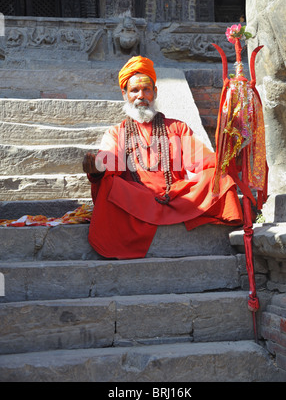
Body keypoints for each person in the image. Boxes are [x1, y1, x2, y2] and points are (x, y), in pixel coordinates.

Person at [83, 56, 243, 259]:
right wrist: (98, 167)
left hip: (176, 194)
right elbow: (109, 158)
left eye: (146, 90)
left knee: (216, 177)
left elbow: (200, 158)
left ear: (155, 92)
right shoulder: (117, 132)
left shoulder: (177, 127)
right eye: (134, 91)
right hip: (138, 197)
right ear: (125, 95)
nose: (141, 96)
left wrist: (226, 158)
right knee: (108, 184)